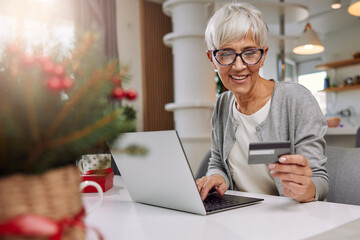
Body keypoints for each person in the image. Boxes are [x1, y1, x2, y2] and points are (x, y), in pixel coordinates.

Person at [196, 2, 329, 203]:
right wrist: (217, 177)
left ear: (263, 55)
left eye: (249, 53)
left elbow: (319, 180)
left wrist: (304, 188)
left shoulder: (296, 100)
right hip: (240, 217)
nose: (239, 66)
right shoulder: (223, 104)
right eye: (226, 53)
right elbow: (217, 162)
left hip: (292, 219)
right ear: (212, 59)